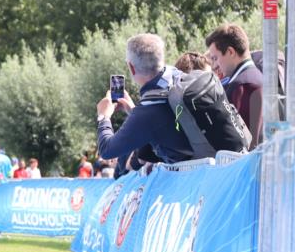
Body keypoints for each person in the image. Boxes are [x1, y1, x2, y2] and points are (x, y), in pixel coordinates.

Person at [96, 33, 193, 167]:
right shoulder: (180, 78)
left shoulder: (149, 108)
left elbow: (107, 150)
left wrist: (103, 117)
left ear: (131, 67)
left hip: (189, 175)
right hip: (213, 164)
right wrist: (132, 110)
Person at [205, 23, 263, 149]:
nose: (214, 65)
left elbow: (240, 143)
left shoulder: (242, 85)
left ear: (230, 52)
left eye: (215, 58)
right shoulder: (252, 78)